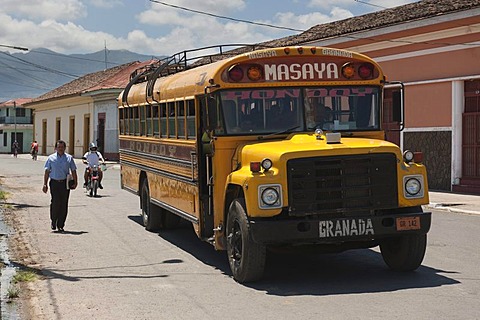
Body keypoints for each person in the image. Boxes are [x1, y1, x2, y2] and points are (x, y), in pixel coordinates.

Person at [42, 140, 78, 232]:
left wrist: (75, 182)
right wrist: (45, 184)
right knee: (55, 202)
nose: (60, 149)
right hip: (54, 183)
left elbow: (73, 170)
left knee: (64, 204)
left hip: (65, 184)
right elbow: (46, 172)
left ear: (65, 148)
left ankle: (61, 225)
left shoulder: (69, 158)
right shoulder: (51, 158)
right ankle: (53, 221)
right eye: (59, 147)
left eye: (62, 147)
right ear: (55, 148)